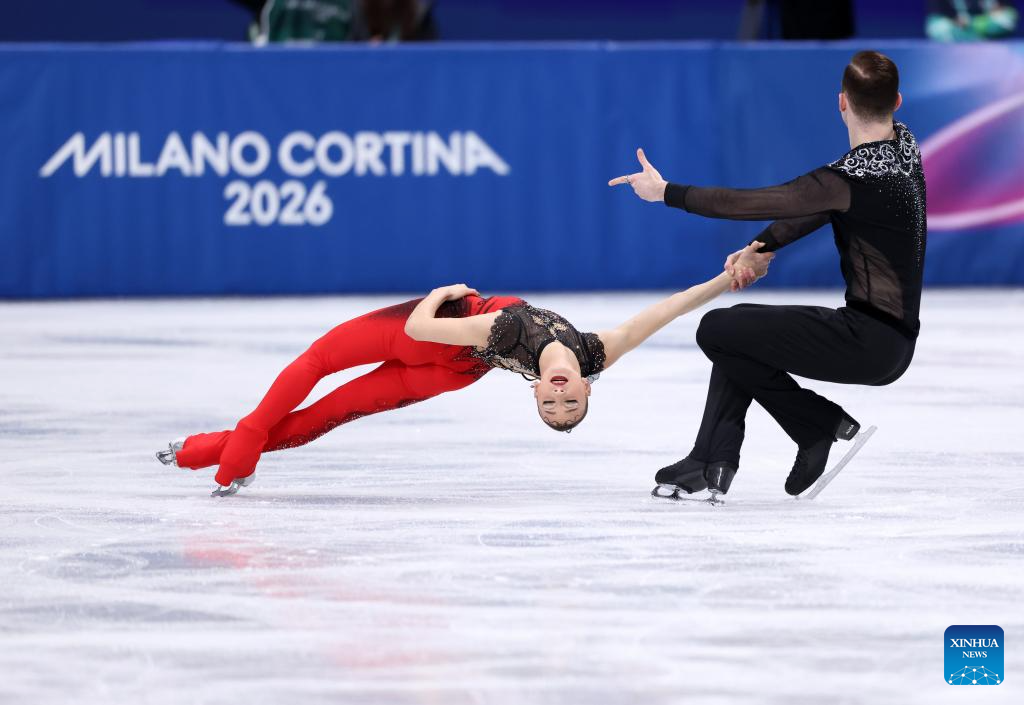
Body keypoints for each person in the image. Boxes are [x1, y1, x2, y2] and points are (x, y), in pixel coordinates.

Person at [157, 251, 771, 497]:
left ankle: (227, 450)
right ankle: (216, 451)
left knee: (325, 397)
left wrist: (441, 292)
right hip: (453, 364)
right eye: (570, 405)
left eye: (551, 408)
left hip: (438, 339)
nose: (559, 399)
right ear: (587, 388)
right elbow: (669, 309)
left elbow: (422, 328)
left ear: (535, 393)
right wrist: (729, 277)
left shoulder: (505, 333)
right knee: (320, 388)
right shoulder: (596, 351)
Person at [609, 50, 926, 499]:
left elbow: (752, 202)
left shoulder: (848, 177)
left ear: (841, 101)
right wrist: (760, 248)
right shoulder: (905, 147)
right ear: (897, 102)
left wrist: (665, 192)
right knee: (737, 333)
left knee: (717, 328)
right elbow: (823, 208)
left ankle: (816, 423)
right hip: (894, 342)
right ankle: (711, 460)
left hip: (867, 342)